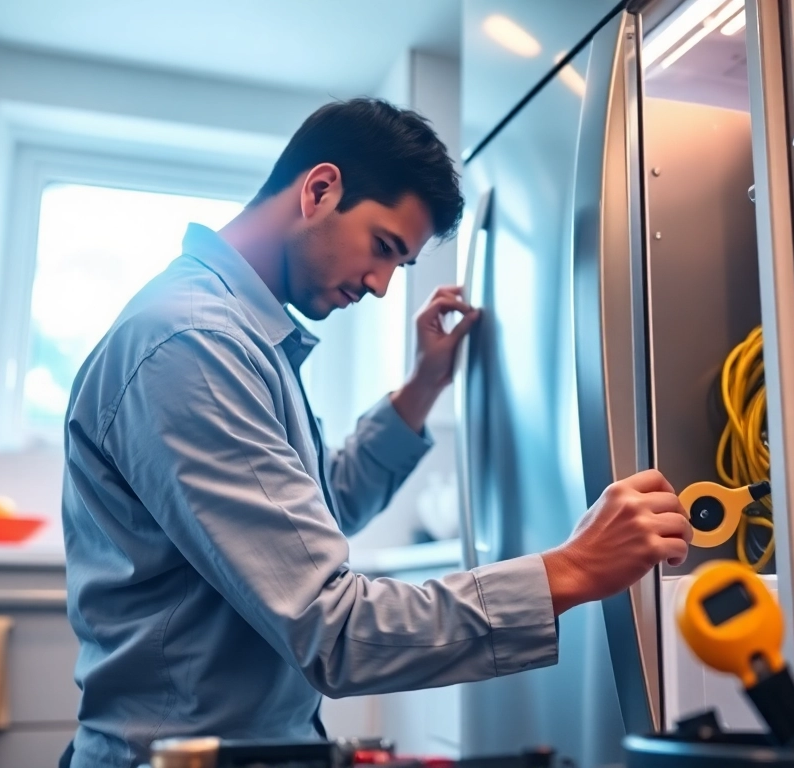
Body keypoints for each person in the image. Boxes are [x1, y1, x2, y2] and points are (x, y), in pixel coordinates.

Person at [60, 98, 693, 768]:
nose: (382, 286)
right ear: (320, 189)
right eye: (384, 248)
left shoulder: (234, 333)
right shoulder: (194, 344)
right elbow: (333, 629)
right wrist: (574, 568)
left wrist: (423, 388)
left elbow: (317, 506)